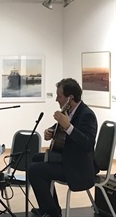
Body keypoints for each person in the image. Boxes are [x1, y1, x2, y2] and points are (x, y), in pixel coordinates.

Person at [28, 78, 99, 217]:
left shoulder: (87, 115)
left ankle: (52, 212)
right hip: (67, 158)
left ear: (70, 98)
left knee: (34, 170)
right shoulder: (68, 112)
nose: (56, 99)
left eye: (59, 96)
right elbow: (59, 131)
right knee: (36, 158)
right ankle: (50, 206)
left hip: (78, 167)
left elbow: (88, 143)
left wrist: (68, 126)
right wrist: (50, 132)